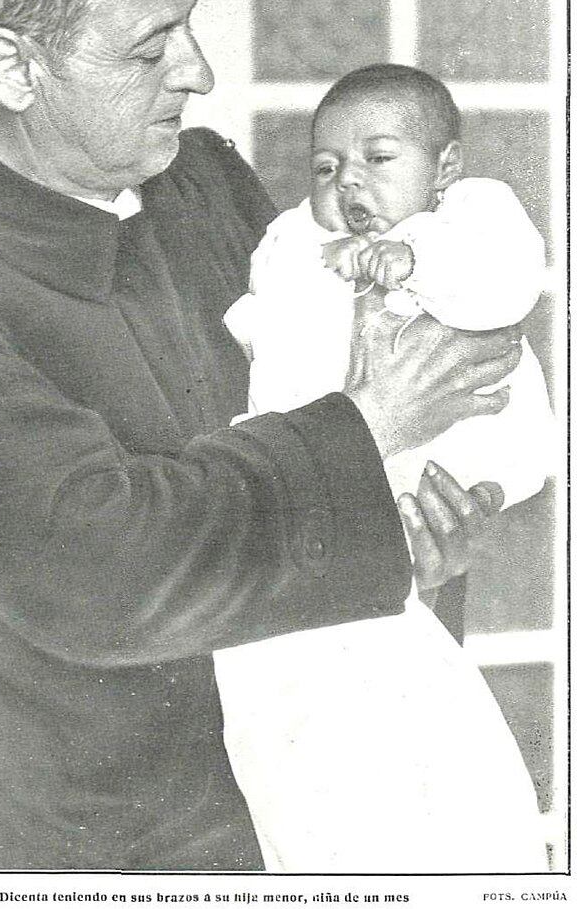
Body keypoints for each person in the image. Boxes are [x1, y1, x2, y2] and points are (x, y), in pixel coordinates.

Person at [0, 0, 522, 872]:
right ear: (12, 68)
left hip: (347, 823)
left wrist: (407, 544)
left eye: (187, 25)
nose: (198, 71)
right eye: (149, 48)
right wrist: (367, 434)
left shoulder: (201, 181)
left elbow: (336, 480)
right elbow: (105, 570)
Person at [216, 64, 551, 872]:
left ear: (444, 170)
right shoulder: (303, 236)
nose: (348, 183)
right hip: (337, 479)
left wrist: (413, 261)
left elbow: (508, 275)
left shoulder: (471, 216)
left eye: (378, 158)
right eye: (327, 167)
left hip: (461, 438)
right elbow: (276, 307)